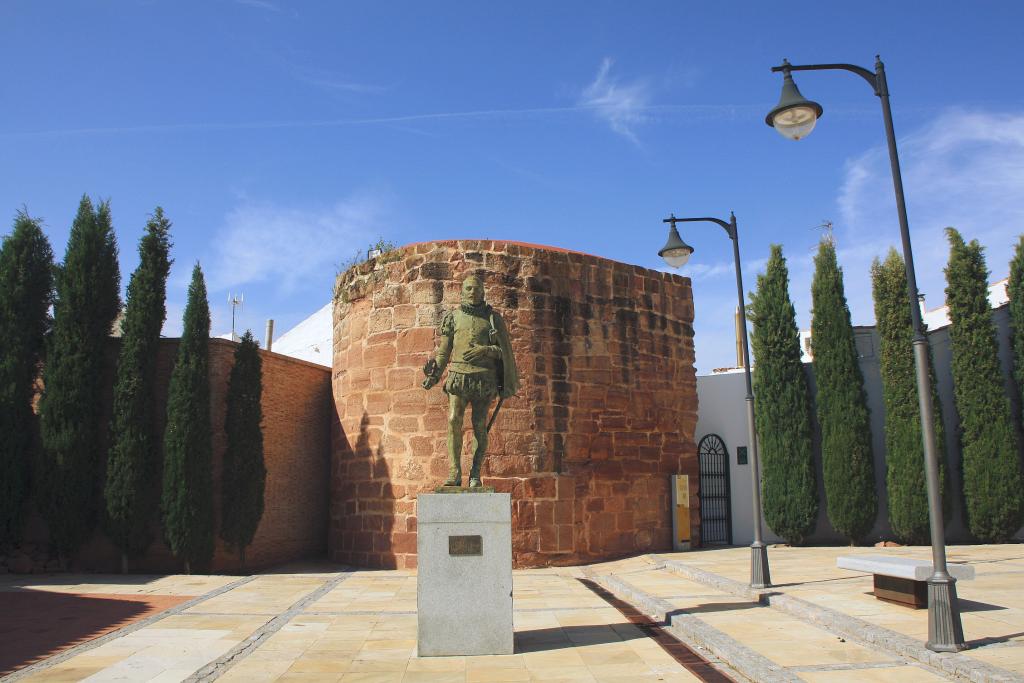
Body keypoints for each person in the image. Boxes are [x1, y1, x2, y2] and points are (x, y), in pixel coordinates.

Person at [422, 274, 518, 487]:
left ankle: (475, 473)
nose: (472, 292)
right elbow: (443, 352)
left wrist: (486, 350)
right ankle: (455, 472)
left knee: (479, 425)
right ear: (462, 292)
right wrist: (434, 375)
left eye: (476, 288)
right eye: (468, 288)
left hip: (484, 379)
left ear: (483, 292)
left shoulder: (493, 319)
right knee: (453, 419)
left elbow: (505, 352)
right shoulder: (453, 318)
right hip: (458, 376)